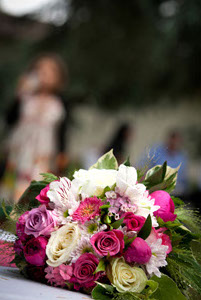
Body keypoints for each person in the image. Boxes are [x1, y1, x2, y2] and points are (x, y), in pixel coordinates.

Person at [2, 53, 69, 203]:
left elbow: (62, 132)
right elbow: (9, 119)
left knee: (34, 189)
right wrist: (20, 93)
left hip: (43, 156)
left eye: (50, 70)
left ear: (58, 77)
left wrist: (63, 154)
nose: (43, 74)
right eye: (39, 69)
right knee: (11, 187)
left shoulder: (58, 103)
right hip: (18, 152)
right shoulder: (26, 97)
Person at [139, 130, 188, 196]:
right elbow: (143, 166)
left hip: (174, 191)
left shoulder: (182, 157)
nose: (174, 144)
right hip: (153, 188)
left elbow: (183, 180)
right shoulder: (156, 150)